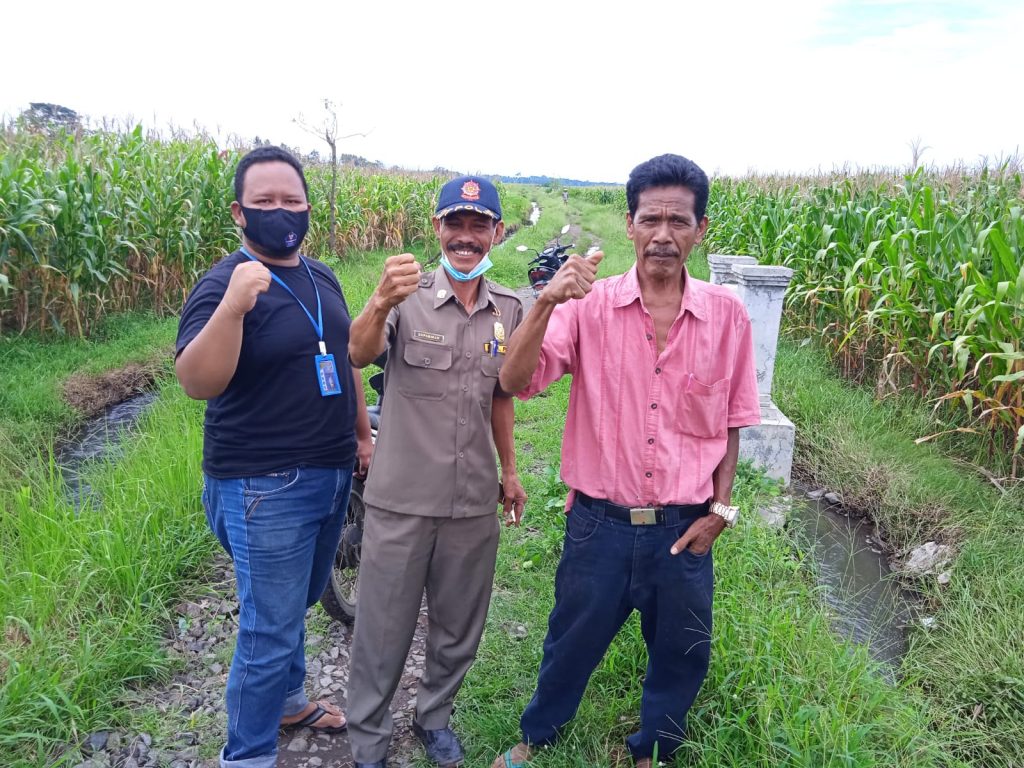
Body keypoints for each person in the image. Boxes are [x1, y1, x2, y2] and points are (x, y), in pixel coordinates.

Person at [492, 154, 760, 768]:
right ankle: (539, 736)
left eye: (679, 221)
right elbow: (514, 380)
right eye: (650, 219)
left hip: (684, 526)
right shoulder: (587, 307)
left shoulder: (726, 316)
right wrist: (544, 304)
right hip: (598, 524)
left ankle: (653, 751)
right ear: (630, 224)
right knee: (570, 640)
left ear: (701, 229)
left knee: (680, 651)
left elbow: (733, 421)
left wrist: (720, 510)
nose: (664, 234)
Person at [175, 145, 373, 768]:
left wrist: (362, 432)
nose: (279, 212)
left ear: (308, 206)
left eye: (291, 200)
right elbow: (196, 381)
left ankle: (288, 702)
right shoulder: (221, 283)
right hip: (264, 484)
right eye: (264, 202)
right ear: (239, 213)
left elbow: (342, 356)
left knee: (297, 602)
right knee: (267, 629)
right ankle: (249, 755)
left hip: (332, 467)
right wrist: (234, 306)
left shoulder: (321, 275)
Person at [346, 176, 528, 768]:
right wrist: (377, 300)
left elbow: (503, 396)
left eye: (480, 226)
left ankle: (434, 718)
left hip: (473, 501)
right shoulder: (407, 297)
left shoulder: (511, 307)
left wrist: (511, 472)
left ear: (498, 233)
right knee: (381, 631)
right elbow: (359, 352)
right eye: (456, 224)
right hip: (401, 499)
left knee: (458, 629)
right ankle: (369, 740)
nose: (467, 237)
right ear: (438, 230)